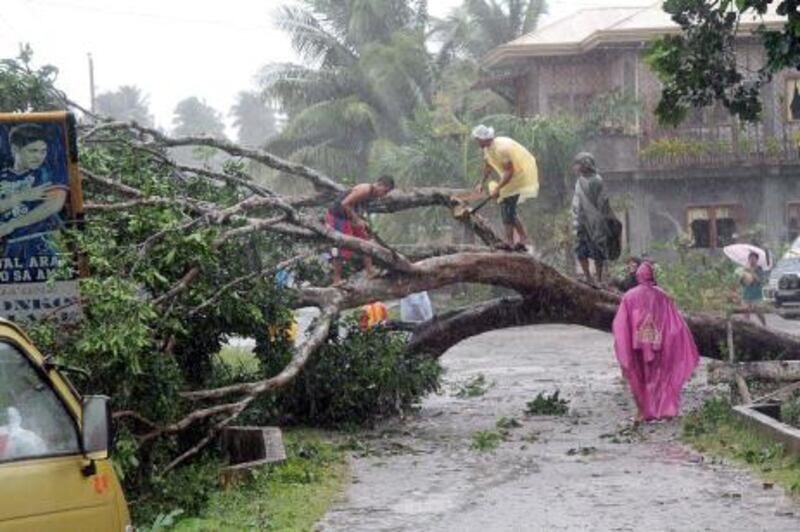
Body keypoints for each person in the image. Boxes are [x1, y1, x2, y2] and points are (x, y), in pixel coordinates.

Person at [612, 262, 700, 422]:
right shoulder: (663, 296)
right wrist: (675, 341)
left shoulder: (629, 296)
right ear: (652, 275)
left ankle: (642, 412)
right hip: (659, 344)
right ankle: (664, 409)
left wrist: (624, 343)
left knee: (639, 377)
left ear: (638, 276)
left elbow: (620, 324)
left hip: (636, 345)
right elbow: (674, 322)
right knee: (661, 376)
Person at [0, 124, 68, 264]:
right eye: (33, 151)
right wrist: (22, 196)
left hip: (43, 247)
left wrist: (12, 225)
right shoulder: (2, 176)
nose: (39, 156)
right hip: (7, 251)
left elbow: (54, 204)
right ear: (15, 150)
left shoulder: (47, 173)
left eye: (43, 151)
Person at [472, 125, 539, 250]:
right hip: (509, 179)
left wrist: (498, 188)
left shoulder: (501, 149)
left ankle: (510, 242)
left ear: (485, 139)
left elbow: (510, 172)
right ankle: (523, 237)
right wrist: (481, 182)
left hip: (517, 178)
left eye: (478, 139)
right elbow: (488, 166)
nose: (477, 142)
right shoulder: (487, 149)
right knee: (508, 210)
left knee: (507, 210)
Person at [326, 175, 395, 285]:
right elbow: (345, 204)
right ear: (380, 185)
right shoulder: (365, 189)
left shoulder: (373, 195)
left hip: (349, 216)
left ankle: (370, 271)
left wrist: (363, 222)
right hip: (337, 216)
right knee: (339, 247)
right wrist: (357, 220)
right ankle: (336, 279)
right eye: (385, 191)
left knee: (365, 239)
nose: (384, 194)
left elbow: (357, 207)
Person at [571, 152, 612, 284]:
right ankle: (588, 276)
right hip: (581, 221)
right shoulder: (579, 181)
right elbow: (576, 201)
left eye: (577, 164)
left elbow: (602, 202)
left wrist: (602, 220)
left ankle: (598, 279)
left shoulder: (596, 181)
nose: (575, 167)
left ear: (585, 165)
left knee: (598, 250)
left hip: (595, 222)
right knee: (581, 249)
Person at [740, 251, 767, 326]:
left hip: (756, 294)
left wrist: (751, 271)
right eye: (750, 258)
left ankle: (764, 325)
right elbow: (742, 283)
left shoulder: (759, 269)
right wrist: (741, 277)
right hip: (746, 293)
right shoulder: (745, 269)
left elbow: (760, 281)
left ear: (757, 259)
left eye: (753, 258)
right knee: (745, 312)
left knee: (758, 312)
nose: (752, 260)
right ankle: (746, 329)